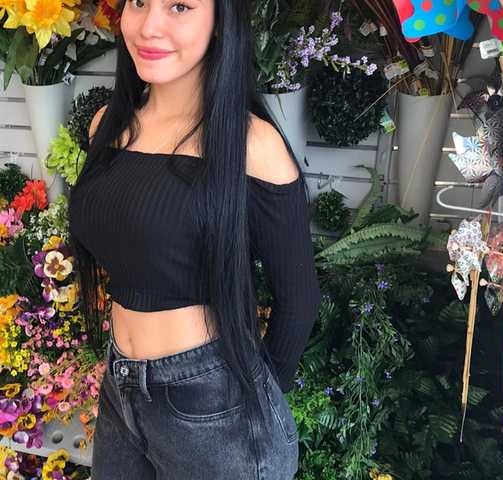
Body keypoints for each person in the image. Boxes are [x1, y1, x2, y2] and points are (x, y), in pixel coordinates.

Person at [67, 0, 322, 478]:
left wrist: (253, 404)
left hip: (213, 403)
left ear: (221, 22)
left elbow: (299, 300)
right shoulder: (107, 126)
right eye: (138, 2)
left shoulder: (251, 145)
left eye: (180, 6)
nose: (150, 25)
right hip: (121, 386)